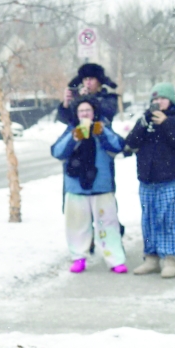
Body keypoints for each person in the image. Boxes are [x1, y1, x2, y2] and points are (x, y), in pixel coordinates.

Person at [124, 83, 175, 278]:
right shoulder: (145, 122)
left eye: (162, 98)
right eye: (154, 99)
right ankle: (151, 259)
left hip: (171, 179)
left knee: (171, 219)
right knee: (149, 221)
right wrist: (143, 123)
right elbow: (130, 144)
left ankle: (171, 259)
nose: (158, 102)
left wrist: (166, 123)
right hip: (147, 180)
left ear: (170, 99)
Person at [51, 98, 127, 273]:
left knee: (108, 224)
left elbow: (118, 146)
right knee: (77, 225)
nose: (85, 114)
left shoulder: (102, 128)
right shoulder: (71, 130)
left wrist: (101, 133)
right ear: (76, 114)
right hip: (76, 187)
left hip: (101, 186)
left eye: (88, 110)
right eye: (81, 111)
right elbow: (57, 151)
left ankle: (115, 259)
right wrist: (74, 137)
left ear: (94, 113)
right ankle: (78, 257)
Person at [57, 63, 119, 127]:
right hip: (79, 135)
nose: (88, 82)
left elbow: (107, 112)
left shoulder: (109, 97)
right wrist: (66, 104)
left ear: (99, 81)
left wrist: (87, 98)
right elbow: (66, 119)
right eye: (85, 79)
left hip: (101, 134)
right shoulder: (78, 98)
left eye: (91, 79)